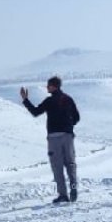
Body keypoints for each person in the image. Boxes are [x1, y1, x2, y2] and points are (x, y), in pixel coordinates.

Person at [20, 76, 81, 204]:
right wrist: (68, 126)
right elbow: (76, 117)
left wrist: (25, 100)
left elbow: (35, 112)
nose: (47, 87)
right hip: (68, 136)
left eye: (48, 85)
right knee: (70, 162)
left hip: (54, 137)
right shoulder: (68, 99)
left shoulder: (49, 101)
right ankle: (73, 185)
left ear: (54, 86)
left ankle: (63, 195)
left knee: (57, 165)